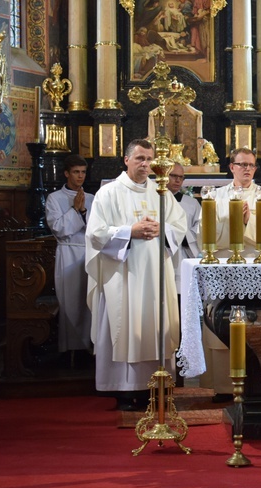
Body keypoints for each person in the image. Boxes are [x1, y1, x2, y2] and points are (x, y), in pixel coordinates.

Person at [85, 139, 187, 411]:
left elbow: (179, 224)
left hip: (155, 273)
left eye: (150, 159)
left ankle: (155, 388)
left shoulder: (161, 191)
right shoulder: (108, 193)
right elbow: (95, 234)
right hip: (123, 275)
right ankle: (123, 390)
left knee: (154, 324)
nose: (146, 164)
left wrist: (161, 230)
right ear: (126, 160)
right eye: (140, 158)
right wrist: (130, 232)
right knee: (124, 323)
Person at [199, 146, 261, 402]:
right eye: (242, 165)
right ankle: (223, 386)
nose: (247, 169)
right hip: (224, 266)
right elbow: (202, 232)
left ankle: (258, 383)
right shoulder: (214, 196)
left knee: (254, 321)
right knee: (221, 319)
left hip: (255, 268)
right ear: (231, 167)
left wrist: (249, 223)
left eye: (251, 165)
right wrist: (231, 221)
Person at [45, 155, 94, 366]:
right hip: (67, 252)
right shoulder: (54, 198)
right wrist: (74, 209)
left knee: (88, 302)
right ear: (66, 173)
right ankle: (69, 351)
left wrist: (83, 211)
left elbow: (96, 229)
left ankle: (88, 349)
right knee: (70, 302)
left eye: (83, 172)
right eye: (76, 172)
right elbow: (59, 229)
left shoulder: (92, 198)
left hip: (89, 253)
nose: (80, 176)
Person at [167, 163, 200, 292]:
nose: (178, 180)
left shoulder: (191, 203)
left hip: (183, 253)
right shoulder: (154, 199)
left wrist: (185, 236)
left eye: (181, 177)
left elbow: (199, 226)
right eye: (173, 176)